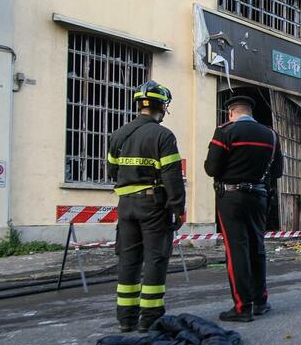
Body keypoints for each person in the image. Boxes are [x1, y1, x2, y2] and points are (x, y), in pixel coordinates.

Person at [107, 81, 185, 332]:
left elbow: (111, 171)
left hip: (126, 205)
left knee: (128, 259)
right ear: (161, 106)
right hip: (153, 205)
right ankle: (150, 317)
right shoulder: (163, 135)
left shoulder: (119, 134)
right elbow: (172, 177)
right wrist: (177, 208)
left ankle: (126, 318)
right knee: (155, 258)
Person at [204, 93, 283, 322]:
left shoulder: (225, 131)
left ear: (231, 112)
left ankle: (242, 306)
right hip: (259, 197)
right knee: (257, 247)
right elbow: (277, 172)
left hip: (231, 198)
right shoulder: (271, 135)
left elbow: (211, 168)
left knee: (237, 250)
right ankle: (261, 301)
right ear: (251, 112)